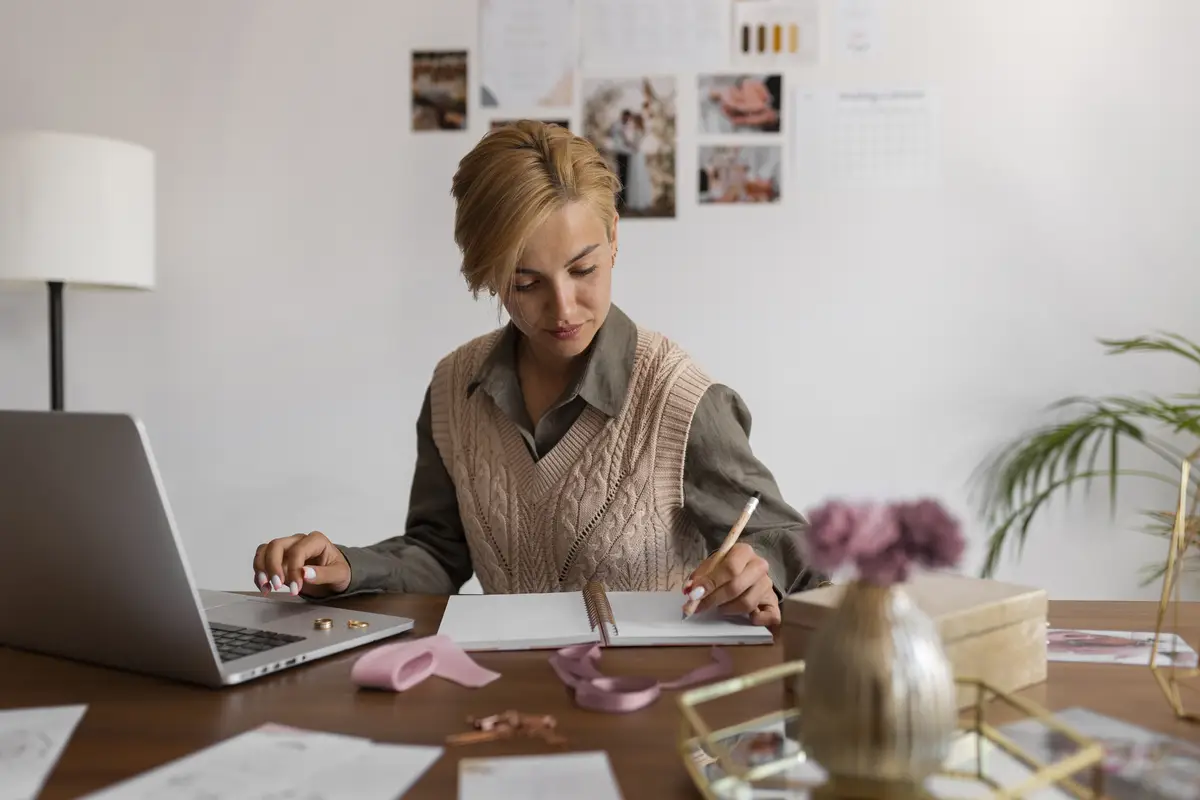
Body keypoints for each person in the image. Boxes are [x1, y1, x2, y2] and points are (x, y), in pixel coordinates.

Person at [250, 120, 822, 627]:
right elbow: (439, 552)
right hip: (508, 704)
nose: (564, 307)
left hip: (650, 710)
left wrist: (759, 574)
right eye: (526, 283)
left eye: (583, 269)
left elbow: (794, 550)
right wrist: (350, 566)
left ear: (615, 238)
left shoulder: (681, 401)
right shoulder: (454, 390)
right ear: (490, 274)